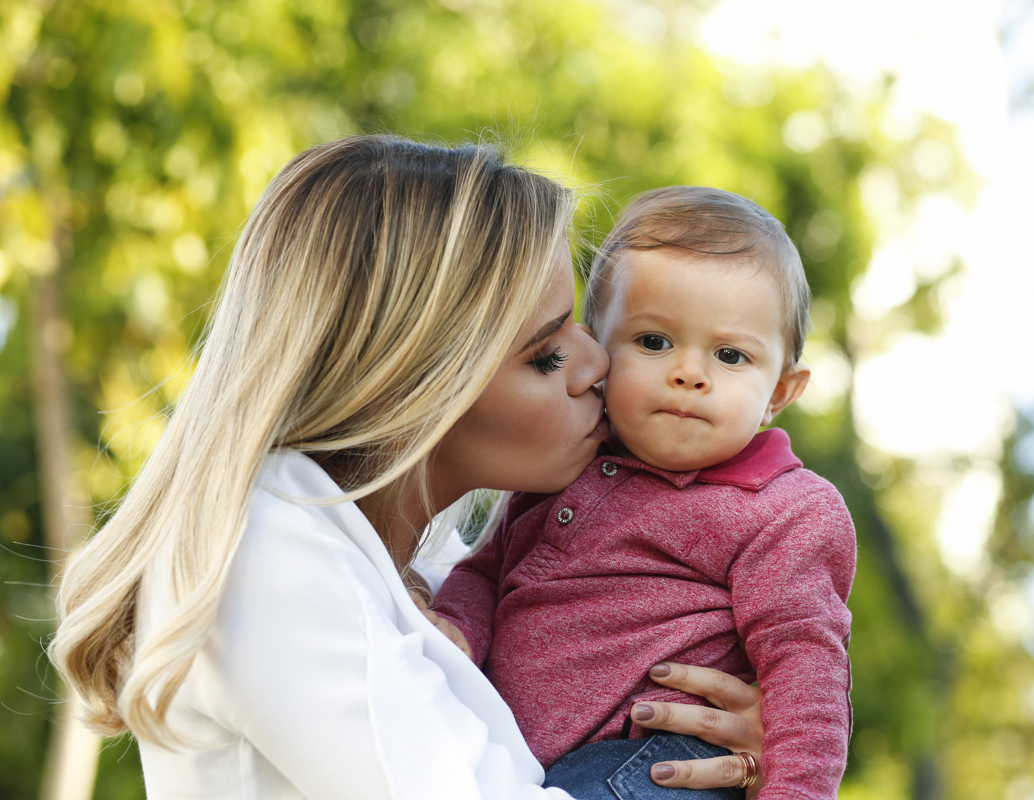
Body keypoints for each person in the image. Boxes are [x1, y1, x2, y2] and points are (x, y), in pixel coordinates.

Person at [48, 137, 768, 798]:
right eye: (545, 354)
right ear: (414, 387)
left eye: (581, 325)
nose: (597, 365)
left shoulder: (451, 577)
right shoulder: (267, 550)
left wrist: (738, 749)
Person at [431, 187, 856, 798]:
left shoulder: (783, 509)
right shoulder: (559, 466)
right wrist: (456, 631)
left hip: (654, 767)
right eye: (654, 342)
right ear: (596, 348)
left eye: (730, 355)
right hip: (519, 760)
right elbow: (486, 572)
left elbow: (806, 673)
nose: (689, 373)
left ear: (781, 392)